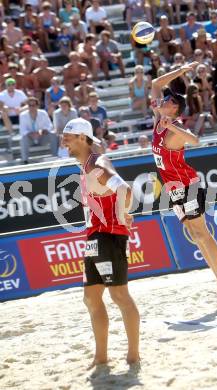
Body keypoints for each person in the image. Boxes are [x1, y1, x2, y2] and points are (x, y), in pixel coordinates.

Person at [151, 64, 217, 309]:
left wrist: (172, 126)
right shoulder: (158, 119)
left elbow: (195, 140)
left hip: (188, 186)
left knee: (202, 233)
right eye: (164, 100)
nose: (162, 101)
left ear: (174, 108)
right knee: (196, 236)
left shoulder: (173, 129)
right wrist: (182, 69)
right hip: (173, 188)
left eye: (167, 101)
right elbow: (156, 84)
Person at [62, 117, 140, 367]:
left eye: (68, 139)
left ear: (83, 138)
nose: (65, 144)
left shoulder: (97, 162)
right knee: (91, 298)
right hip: (94, 237)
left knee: (119, 295)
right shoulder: (86, 166)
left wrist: (121, 213)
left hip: (108, 236)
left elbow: (125, 190)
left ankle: (133, 355)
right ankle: (101, 357)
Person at [19, 96, 58, 163]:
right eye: (29, 105)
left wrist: (42, 131)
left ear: (37, 106)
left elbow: (49, 126)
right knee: (23, 138)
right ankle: (25, 160)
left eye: (33, 105)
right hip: (30, 139)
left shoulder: (43, 113)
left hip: (42, 138)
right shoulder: (22, 115)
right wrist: (31, 134)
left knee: (53, 134)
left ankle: (55, 156)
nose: (31, 107)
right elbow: (22, 130)